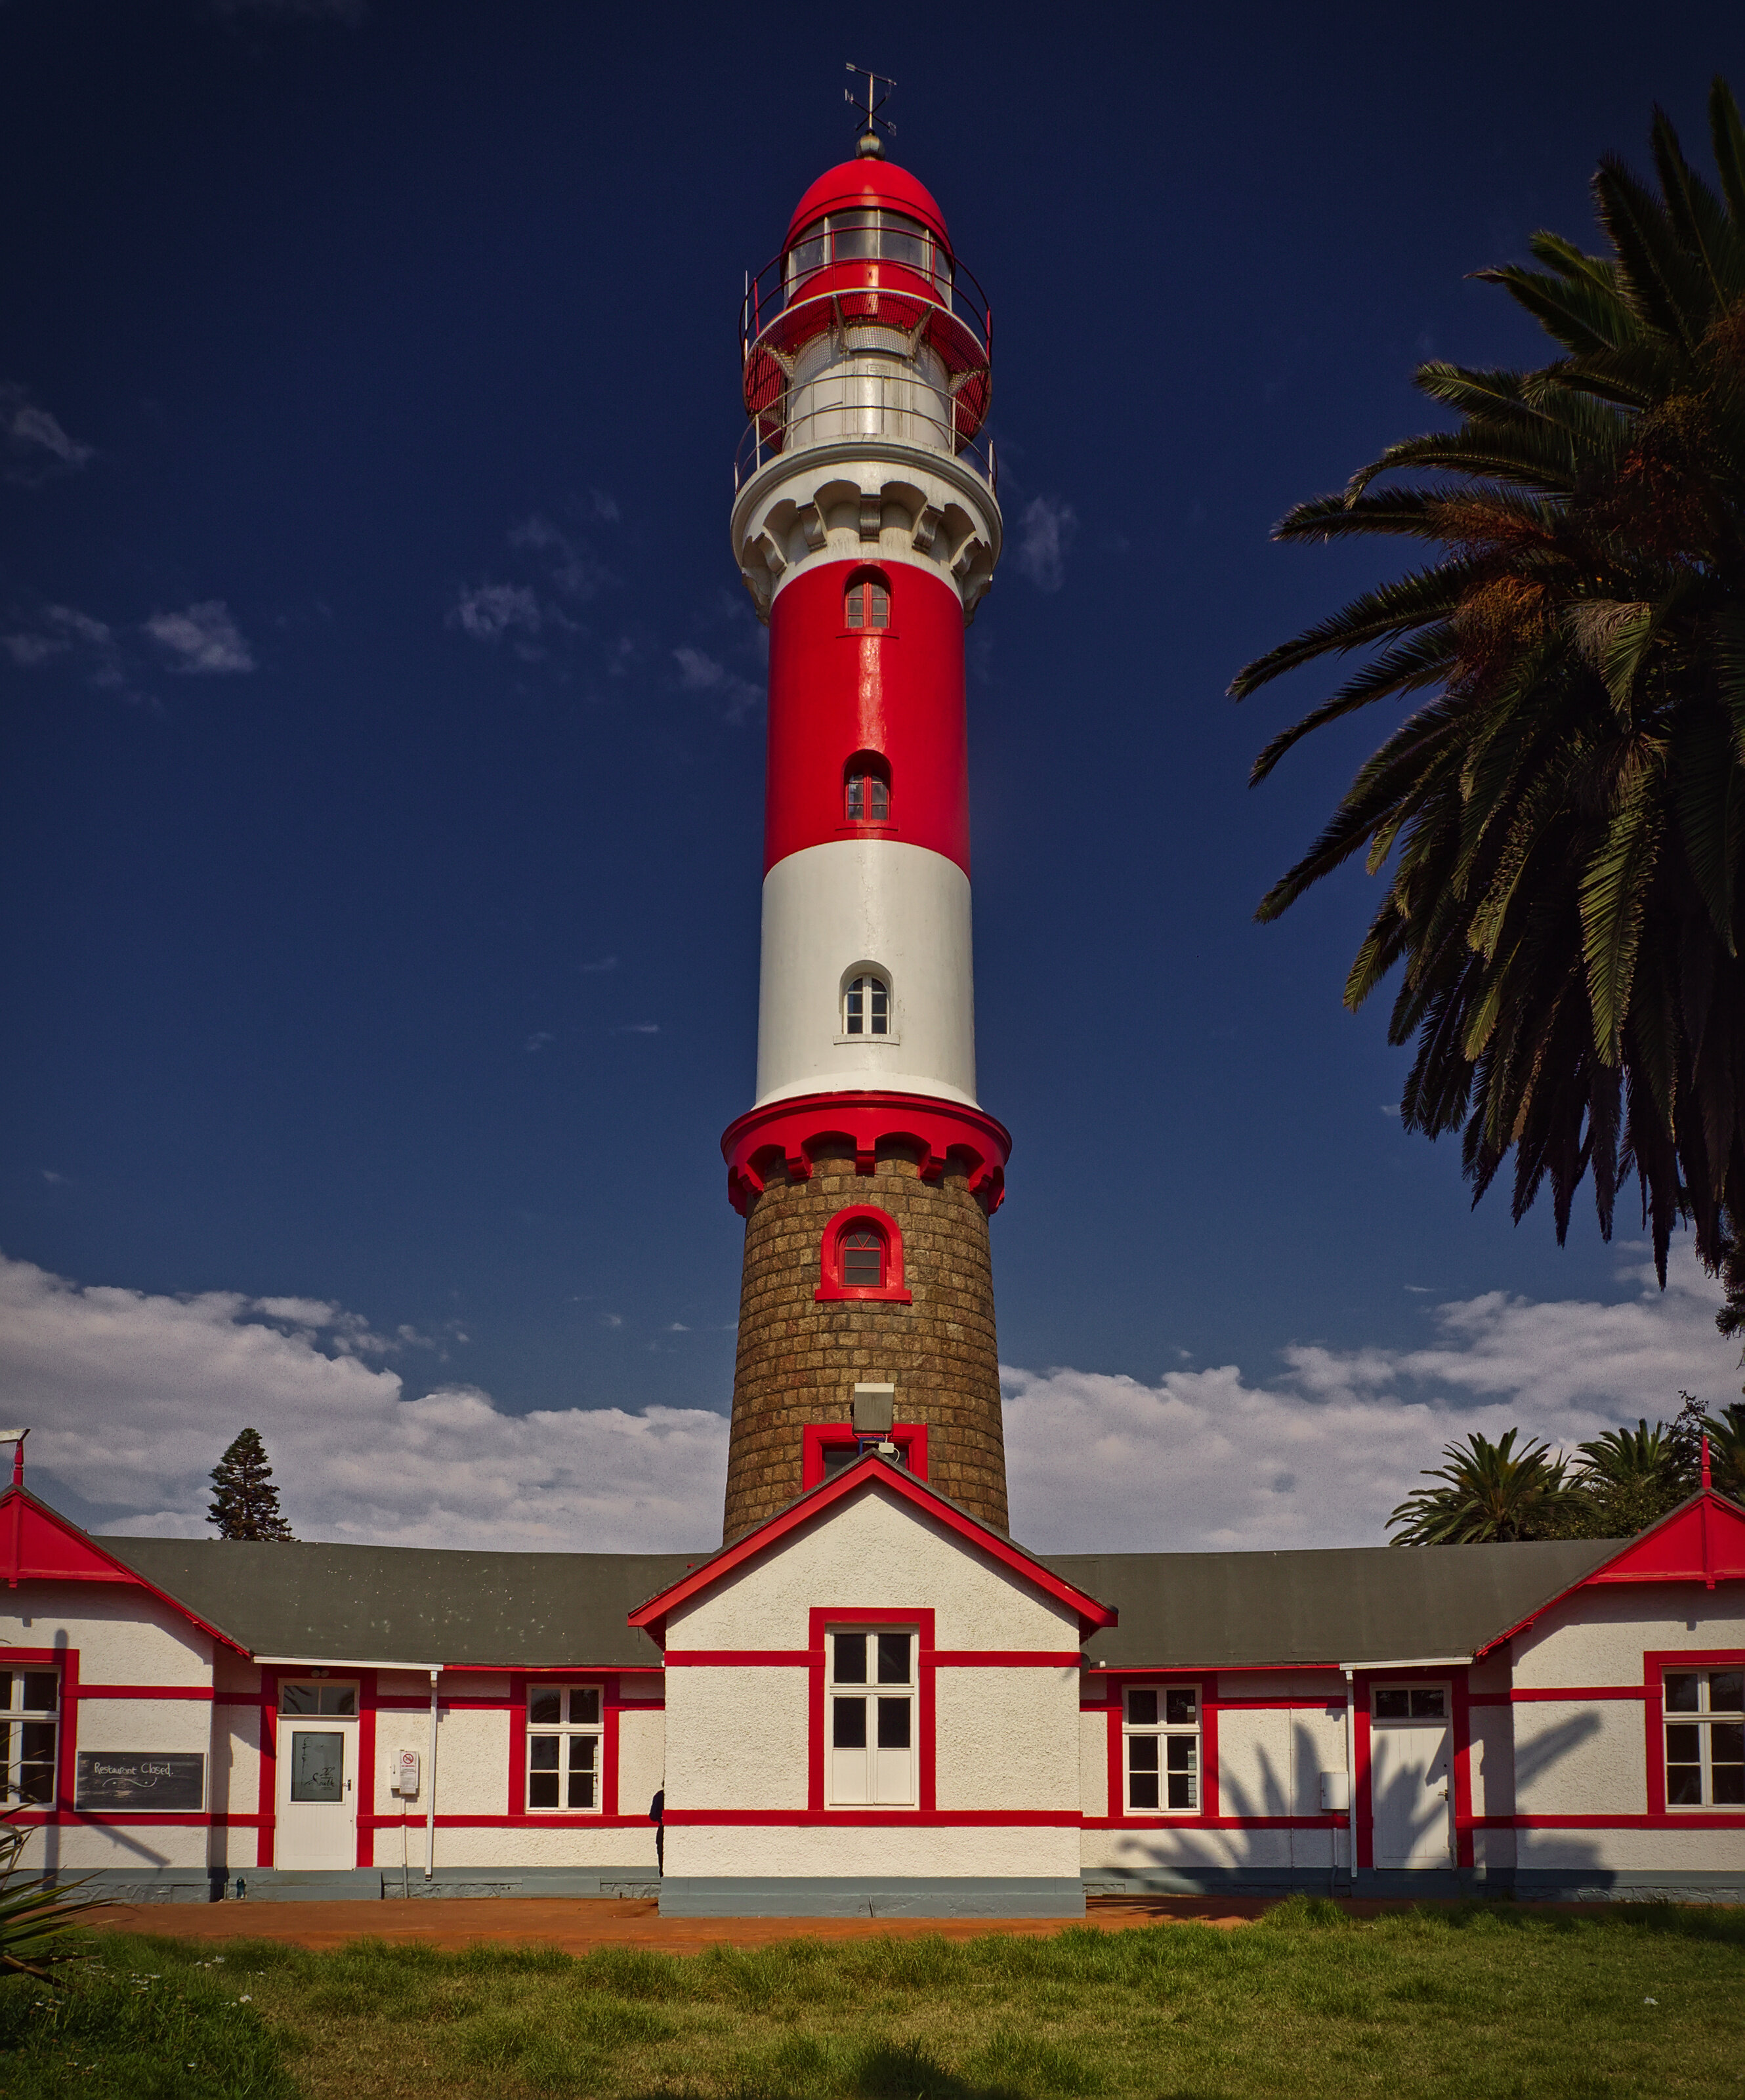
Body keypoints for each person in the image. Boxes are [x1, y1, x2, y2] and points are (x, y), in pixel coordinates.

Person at [648, 1786, 663, 1876]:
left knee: (661, 1853)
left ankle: (662, 1874)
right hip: (671, 1829)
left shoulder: (659, 1795)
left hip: (662, 1828)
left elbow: (653, 1816)